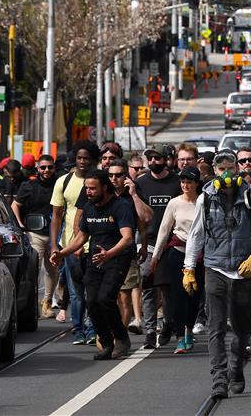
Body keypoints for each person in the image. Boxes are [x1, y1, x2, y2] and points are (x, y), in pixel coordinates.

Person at [182, 150, 251, 399]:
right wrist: (189, 268)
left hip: (243, 271)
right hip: (215, 268)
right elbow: (197, 234)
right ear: (214, 170)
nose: (226, 173)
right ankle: (219, 378)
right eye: (221, 169)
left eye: (230, 167)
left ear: (237, 168)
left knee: (242, 328)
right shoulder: (205, 198)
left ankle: (236, 365)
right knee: (216, 326)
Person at [51, 170, 136, 360]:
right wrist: (62, 253)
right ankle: (106, 343)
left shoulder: (120, 206)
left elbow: (128, 238)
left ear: (105, 188)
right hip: (95, 259)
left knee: (105, 298)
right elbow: (82, 236)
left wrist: (110, 253)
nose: (88, 192)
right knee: (92, 301)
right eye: (86, 188)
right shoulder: (89, 208)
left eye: (92, 188)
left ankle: (121, 338)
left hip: (116, 258)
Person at [50, 140, 99, 345]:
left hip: (96, 246)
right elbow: (56, 216)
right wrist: (54, 246)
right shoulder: (64, 181)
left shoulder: (100, 180)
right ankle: (78, 329)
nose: (82, 162)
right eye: (79, 158)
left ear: (93, 160)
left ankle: (93, 328)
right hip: (71, 246)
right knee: (76, 292)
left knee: (94, 293)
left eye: (86, 158)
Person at [152, 166, 204, 354]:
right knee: (178, 297)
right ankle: (180, 337)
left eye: (189, 181)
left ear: (197, 183)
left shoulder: (203, 202)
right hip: (177, 253)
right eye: (182, 181)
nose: (185, 185)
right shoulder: (174, 203)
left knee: (194, 296)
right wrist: (156, 256)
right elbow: (164, 230)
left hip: (198, 256)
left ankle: (189, 330)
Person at [137, 144, 182, 349]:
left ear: (166, 160)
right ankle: (149, 333)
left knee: (170, 288)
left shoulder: (176, 182)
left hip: (172, 244)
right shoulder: (141, 183)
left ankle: (169, 324)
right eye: (150, 158)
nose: (153, 162)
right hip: (149, 242)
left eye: (157, 158)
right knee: (148, 287)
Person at [107, 160, 152, 336]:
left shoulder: (133, 194)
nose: (114, 179)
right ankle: (112, 330)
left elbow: (145, 219)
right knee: (110, 297)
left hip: (127, 253)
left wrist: (133, 194)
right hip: (103, 253)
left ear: (125, 176)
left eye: (118, 175)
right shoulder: (103, 193)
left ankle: (120, 336)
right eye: (110, 175)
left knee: (124, 297)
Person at [12, 154, 58, 319]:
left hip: (55, 235)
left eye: (50, 167)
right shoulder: (28, 186)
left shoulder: (59, 184)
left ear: (54, 168)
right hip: (34, 233)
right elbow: (15, 205)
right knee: (33, 270)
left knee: (53, 270)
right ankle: (32, 304)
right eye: (43, 167)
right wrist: (21, 226)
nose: (47, 170)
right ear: (37, 168)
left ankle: (47, 301)